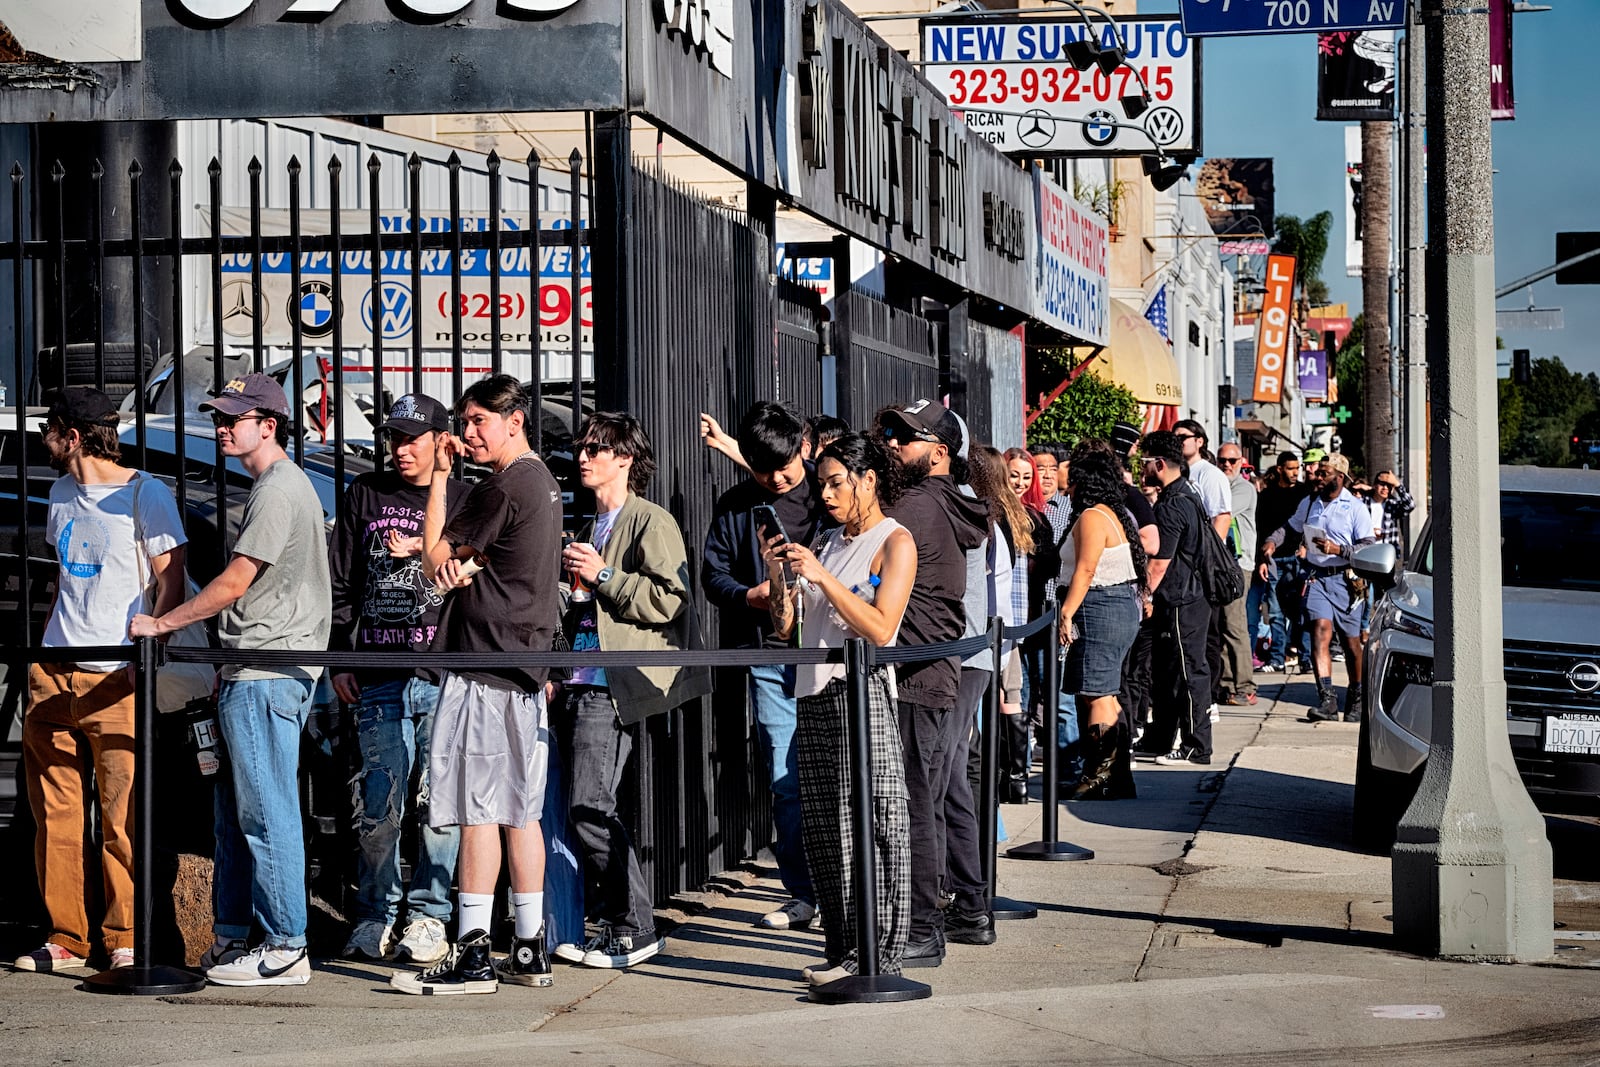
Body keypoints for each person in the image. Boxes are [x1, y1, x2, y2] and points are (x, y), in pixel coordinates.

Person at [131, 372, 331, 987]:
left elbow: (235, 581)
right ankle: (240, 937)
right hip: (254, 669)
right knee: (242, 812)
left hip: (266, 669)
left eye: (233, 419)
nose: (221, 427)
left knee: (265, 812)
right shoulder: (279, 487)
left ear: (267, 426)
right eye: (219, 417)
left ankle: (286, 945)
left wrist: (163, 622)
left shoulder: (277, 489)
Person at [393, 374, 562, 995]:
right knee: (520, 812)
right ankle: (527, 945)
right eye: (462, 424)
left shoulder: (503, 485)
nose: (466, 435)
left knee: (476, 812)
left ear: (513, 421)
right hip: (520, 668)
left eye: (476, 422)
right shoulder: (541, 483)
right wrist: (469, 563)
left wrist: (439, 476)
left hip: (487, 669)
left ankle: (471, 954)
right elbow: (474, 563)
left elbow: (437, 559)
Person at [14, 388, 187, 974]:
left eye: (50, 428)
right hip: (55, 670)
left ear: (75, 434)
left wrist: (153, 640)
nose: (43, 438)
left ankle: (124, 939)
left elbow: (173, 579)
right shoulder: (61, 492)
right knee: (55, 816)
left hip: (116, 675)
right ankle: (67, 937)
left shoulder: (146, 493)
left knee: (122, 818)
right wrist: (42, 653)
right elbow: (67, 581)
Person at [555, 412, 711, 969]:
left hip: (612, 683)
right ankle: (618, 923)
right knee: (581, 808)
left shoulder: (650, 521)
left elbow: (671, 599)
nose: (584, 457)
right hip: (579, 679)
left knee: (588, 808)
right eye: (582, 448)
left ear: (625, 459)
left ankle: (635, 926)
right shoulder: (588, 524)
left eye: (597, 449)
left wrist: (603, 577)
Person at [765, 432, 917, 987]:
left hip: (863, 690)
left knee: (874, 821)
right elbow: (789, 628)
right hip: (814, 692)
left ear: (868, 480)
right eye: (822, 483)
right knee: (827, 827)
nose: (826, 495)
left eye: (836, 483)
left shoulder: (894, 541)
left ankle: (879, 954)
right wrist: (782, 576)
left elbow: (881, 627)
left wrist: (822, 577)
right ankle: (843, 950)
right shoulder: (827, 540)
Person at [327, 393, 466, 966]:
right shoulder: (365, 493)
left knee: (439, 803)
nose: (401, 449)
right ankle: (373, 915)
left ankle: (431, 917)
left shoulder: (465, 496)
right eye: (394, 438)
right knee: (378, 803)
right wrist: (340, 656)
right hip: (378, 671)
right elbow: (340, 580)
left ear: (441, 440)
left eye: (413, 438)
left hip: (441, 672)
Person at [701, 402, 824, 931]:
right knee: (784, 777)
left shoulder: (831, 489)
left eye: (786, 467)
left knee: (840, 773)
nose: (777, 479)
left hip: (833, 652)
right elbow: (712, 575)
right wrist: (751, 595)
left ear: (805, 446)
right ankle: (803, 893)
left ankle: (846, 885)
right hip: (771, 655)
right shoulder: (737, 503)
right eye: (763, 468)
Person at [879, 399, 989, 969]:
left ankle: (922, 926)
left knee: (915, 804)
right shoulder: (941, 501)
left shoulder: (918, 505)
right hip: (932, 672)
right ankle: (951, 914)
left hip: (918, 675)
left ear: (939, 453)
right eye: (893, 434)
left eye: (907, 437)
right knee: (932, 796)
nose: (894, 444)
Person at [1057, 450, 1147, 799]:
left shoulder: (1093, 517)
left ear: (1083, 481)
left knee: (1095, 693)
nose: (1065, 479)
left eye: (1070, 474)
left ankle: (1100, 777)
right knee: (1105, 693)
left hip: (1099, 608)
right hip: (1112, 607)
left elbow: (1086, 570)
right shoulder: (1110, 514)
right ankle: (1116, 776)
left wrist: (1066, 612)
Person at [1260, 453, 1376, 723]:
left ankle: (1357, 698)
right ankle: (1327, 700)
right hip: (1316, 577)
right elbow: (1289, 527)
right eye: (1318, 472)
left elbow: (1368, 546)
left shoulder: (1355, 507)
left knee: (1350, 644)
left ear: (1340, 477)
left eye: (1324, 473)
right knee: (1320, 631)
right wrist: (1272, 542)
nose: (1318, 477)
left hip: (1346, 580)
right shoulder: (1310, 501)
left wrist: (1338, 549)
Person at [1135, 430, 1213, 767]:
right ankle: (1160, 737)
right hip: (1185, 597)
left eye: (1145, 462)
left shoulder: (1172, 504)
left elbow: (1159, 561)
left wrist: (1144, 594)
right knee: (1168, 673)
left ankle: (1197, 744)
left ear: (1160, 464)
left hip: (1183, 598)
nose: (1141, 468)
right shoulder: (1187, 494)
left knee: (1187, 671)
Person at [1253, 452, 1312, 674]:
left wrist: (1307, 547)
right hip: (1275, 559)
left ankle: (1304, 657)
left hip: (1299, 558)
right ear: (1279, 469)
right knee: (1275, 612)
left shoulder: (1304, 493)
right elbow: (1260, 530)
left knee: (1303, 609)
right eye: (1290, 468)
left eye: (1298, 468)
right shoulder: (1267, 496)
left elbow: (1309, 523)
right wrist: (1262, 559)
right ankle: (1278, 657)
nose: (1296, 472)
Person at [1215, 441, 1259, 708]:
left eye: (1232, 461)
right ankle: (1228, 683)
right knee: (1222, 624)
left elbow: (1222, 511)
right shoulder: (1221, 485)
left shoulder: (1243, 488)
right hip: (1222, 565)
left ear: (1241, 462)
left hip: (1239, 565)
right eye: (1222, 461)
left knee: (1235, 624)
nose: (1227, 465)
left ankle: (1245, 685)